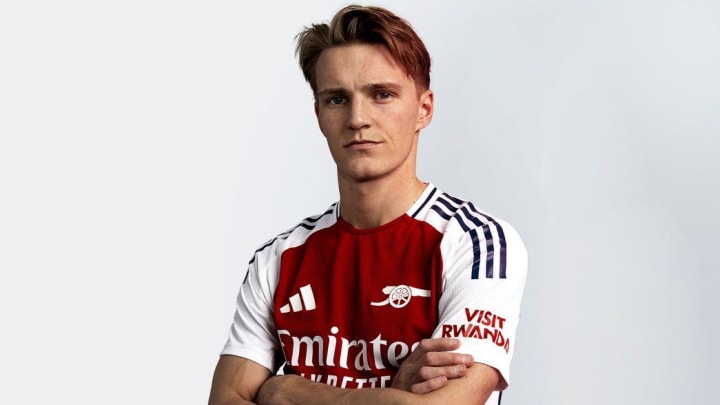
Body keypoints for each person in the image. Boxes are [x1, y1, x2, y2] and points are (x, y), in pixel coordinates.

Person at [208, 4, 527, 405]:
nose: (357, 118)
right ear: (319, 115)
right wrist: (390, 393)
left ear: (424, 109)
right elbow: (225, 399)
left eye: (382, 95)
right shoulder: (278, 259)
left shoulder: (477, 243)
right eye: (337, 99)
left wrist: (284, 390)